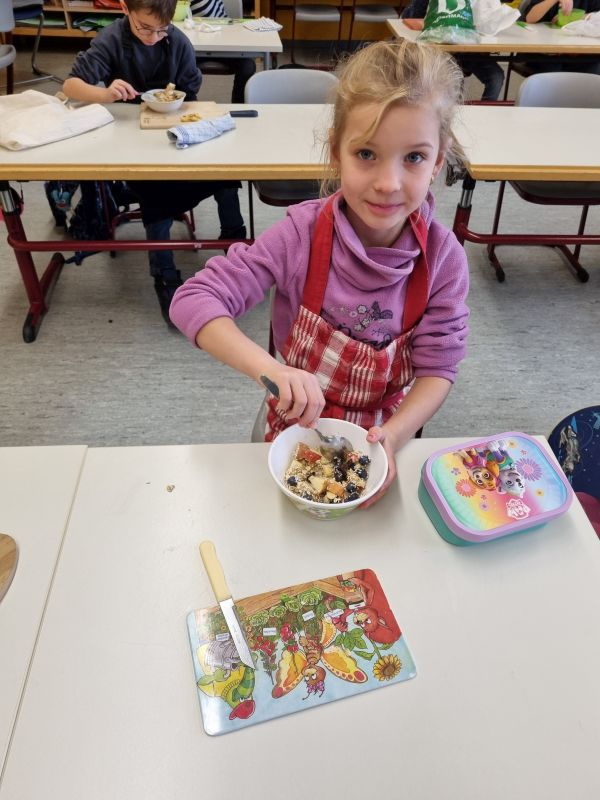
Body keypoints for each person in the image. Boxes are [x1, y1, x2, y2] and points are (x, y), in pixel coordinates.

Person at [170, 40, 470, 505]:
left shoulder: (443, 258)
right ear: (336, 152)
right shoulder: (302, 235)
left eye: (413, 157)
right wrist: (271, 370)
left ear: (437, 160)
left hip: (386, 429)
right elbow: (193, 300)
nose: (388, 183)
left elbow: (438, 369)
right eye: (366, 154)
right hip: (291, 423)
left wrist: (393, 436)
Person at [63, 0, 246, 326]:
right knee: (155, 189)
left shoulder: (178, 41)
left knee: (223, 174)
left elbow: (191, 93)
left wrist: (175, 107)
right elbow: (71, 85)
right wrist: (106, 94)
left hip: (175, 128)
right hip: (130, 137)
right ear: (125, 9)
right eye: (144, 28)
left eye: (161, 30)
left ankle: (233, 242)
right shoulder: (112, 39)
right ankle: (163, 270)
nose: (152, 37)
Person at [402, 0, 506, 101]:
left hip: (472, 52)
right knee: (454, 80)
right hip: (441, 52)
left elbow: (492, 24)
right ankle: (450, 110)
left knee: (496, 77)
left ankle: (485, 110)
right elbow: (410, 17)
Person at [191, 0, 257, 103]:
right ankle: (184, 105)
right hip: (196, 47)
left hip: (223, 42)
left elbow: (206, 12)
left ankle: (238, 108)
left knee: (247, 66)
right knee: (175, 61)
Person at [520, 0, 600, 74]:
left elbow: (597, 16)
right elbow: (530, 18)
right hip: (545, 54)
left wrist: (581, 17)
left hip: (582, 55)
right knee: (551, 74)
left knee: (592, 71)